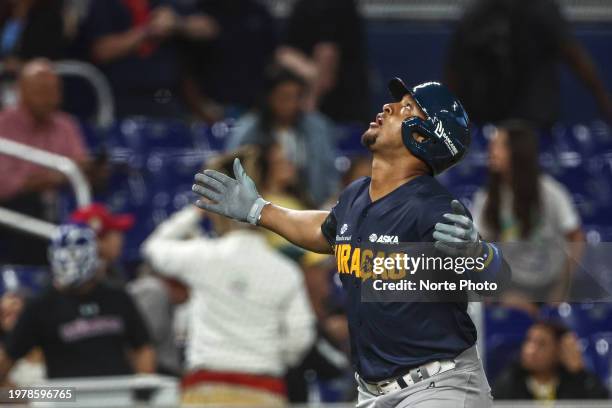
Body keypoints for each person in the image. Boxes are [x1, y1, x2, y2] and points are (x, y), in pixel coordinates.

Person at [192, 77, 511, 407]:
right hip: (373, 393)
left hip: (438, 388)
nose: (387, 107)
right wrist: (261, 210)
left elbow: (494, 279)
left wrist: (476, 252)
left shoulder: (433, 207)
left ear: (422, 137)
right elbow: (325, 231)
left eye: (406, 109)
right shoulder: (358, 194)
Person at [142, 151, 315, 405]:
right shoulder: (285, 271)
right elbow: (300, 337)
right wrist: (267, 358)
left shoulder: (203, 257)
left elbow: (154, 248)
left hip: (205, 392)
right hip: (263, 390)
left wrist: (198, 210)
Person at [0, 223, 155, 381]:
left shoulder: (117, 297)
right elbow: (8, 357)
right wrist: (25, 397)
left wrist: (142, 392)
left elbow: (142, 348)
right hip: (67, 397)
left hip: (117, 394)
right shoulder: (40, 306)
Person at [471, 120, 585, 306]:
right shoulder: (486, 198)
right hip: (511, 285)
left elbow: (577, 238)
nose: (491, 152)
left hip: (552, 280)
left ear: (517, 152)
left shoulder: (551, 192)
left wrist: (562, 287)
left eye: (498, 146)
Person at [446, 0, 612, 127]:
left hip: (535, 123)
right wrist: (447, 114)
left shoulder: (542, 9)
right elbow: (455, 71)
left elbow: (573, 55)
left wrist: (603, 99)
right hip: (488, 121)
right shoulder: (476, 14)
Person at [0, 59, 89, 265]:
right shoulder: (3, 126)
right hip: (17, 216)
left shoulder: (66, 124)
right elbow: (6, 186)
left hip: (61, 209)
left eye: (54, 91)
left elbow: (80, 167)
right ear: (21, 91)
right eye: (42, 91)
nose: (50, 98)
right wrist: (55, 178)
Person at [81, 0, 219, 118]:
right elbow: (101, 51)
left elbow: (208, 28)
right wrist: (148, 30)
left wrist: (178, 23)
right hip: (121, 101)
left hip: (168, 99)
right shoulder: (105, 4)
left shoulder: (164, 4)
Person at [228, 67, 339, 206]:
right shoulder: (247, 131)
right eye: (285, 97)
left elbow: (328, 175)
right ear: (269, 97)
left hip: (310, 206)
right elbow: (231, 172)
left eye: (297, 97)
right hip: (258, 209)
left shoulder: (317, 128)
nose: (291, 104)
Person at [278, 0, 370, 124]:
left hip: (339, 105)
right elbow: (285, 53)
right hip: (309, 96)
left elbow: (328, 55)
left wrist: (311, 100)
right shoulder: (302, 6)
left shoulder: (332, 5)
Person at [493, 320, 608, 400]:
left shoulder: (576, 382)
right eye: (528, 341)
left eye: (541, 344)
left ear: (559, 350)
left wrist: (579, 372)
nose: (530, 350)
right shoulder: (511, 380)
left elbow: (600, 402)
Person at [128, 265, 188, 377]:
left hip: (160, 371)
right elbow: (144, 336)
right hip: (156, 373)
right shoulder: (154, 290)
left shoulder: (156, 291)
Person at [70, 202, 135, 284]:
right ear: (98, 242)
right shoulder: (92, 284)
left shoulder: (113, 269)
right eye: (116, 231)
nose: (121, 238)